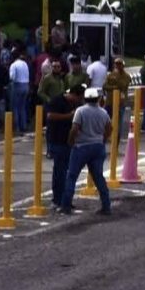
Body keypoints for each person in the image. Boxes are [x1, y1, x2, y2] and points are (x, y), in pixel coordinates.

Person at [60, 87, 112, 215]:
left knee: (72, 176)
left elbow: (74, 128)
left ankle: (66, 205)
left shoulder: (81, 111)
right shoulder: (103, 112)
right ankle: (106, 206)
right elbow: (109, 128)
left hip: (82, 146)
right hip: (97, 146)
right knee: (98, 177)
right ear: (98, 98)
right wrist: (102, 140)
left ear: (85, 98)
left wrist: (71, 142)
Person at [47, 84, 83, 208]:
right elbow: (50, 116)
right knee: (60, 172)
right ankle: (57, 199)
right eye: (79, 98)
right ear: (74, 94)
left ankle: (65, 199)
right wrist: (69, 116)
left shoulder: (74, 104)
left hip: (68, 141)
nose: (79, 101)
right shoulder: (57, 100)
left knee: (67, 171)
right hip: (57, 140)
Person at [8, 50, 30, 133]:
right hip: (26, 85)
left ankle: (17, 127)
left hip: (17, 85)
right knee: (23, 107)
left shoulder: (13, 65)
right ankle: (23, 126)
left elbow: (12, 77)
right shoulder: (25, 63)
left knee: (16, 107)